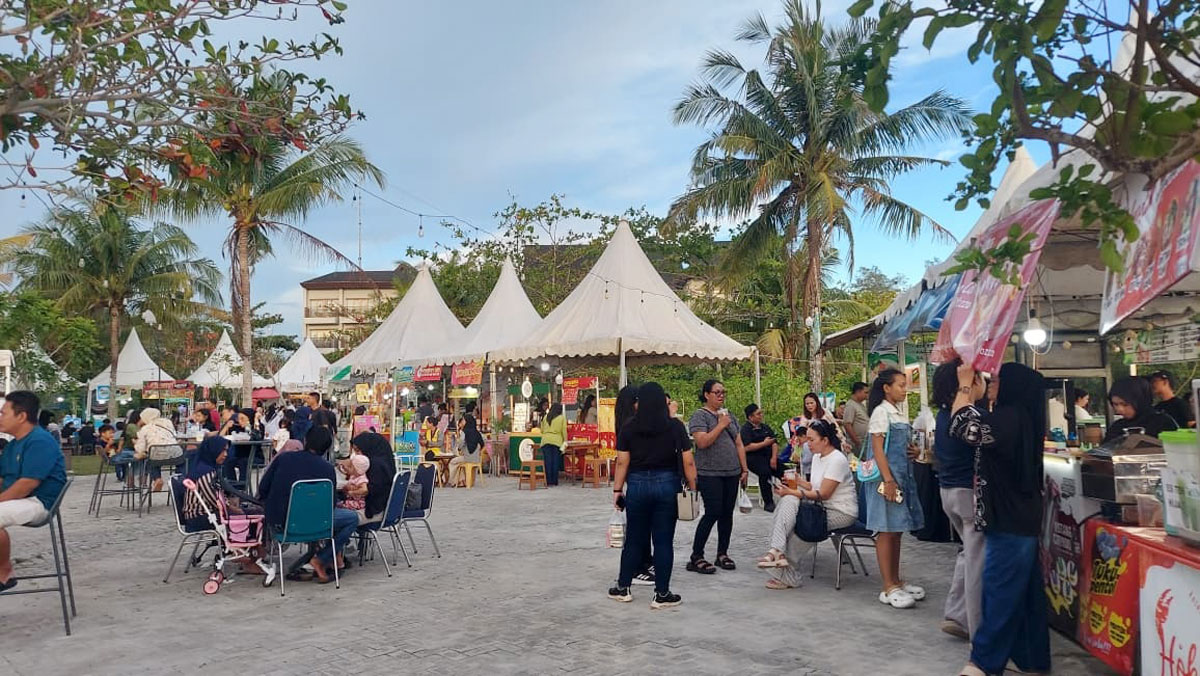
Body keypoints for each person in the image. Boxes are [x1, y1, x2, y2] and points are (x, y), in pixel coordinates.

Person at [949, 362, 1051, 676]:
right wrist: (974, 392)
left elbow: (961, 426)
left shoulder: (1011, 418)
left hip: (1010, 520)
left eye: (998, 380)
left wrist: (965, 385)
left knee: (1000, 593)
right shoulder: (1016, 418)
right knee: (1027, 596)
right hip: (1017, 517)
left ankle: (983, 662)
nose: (992, 383)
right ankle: (1032, 659)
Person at [608, 382, 697, 608]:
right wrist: (693, 487)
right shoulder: (675, 426)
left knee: (634, 540)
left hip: (637, 485)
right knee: (663, 541)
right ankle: (662, 594)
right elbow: (688, 460)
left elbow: (622, 462)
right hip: (668, 484)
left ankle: (623, 588)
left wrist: (618, 490)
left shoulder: (629, 427)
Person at [755, 419, 857, 589]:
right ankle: (777, 551)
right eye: (806, 439)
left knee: (802, 525)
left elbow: (823, 494)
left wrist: (794, 491)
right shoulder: (818, 458)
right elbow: (814, 487)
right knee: (789, 500)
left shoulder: (837, 460)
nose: (807, 444)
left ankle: (785, 569)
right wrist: (798, 482)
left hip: (841, 511)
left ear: (825, 440)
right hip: (820, 507)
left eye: (811, 440)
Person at [257, 427, 356, 583]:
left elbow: (263, 488)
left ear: (304, 441)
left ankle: (324, 558)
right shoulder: (328, 469)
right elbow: (329, 505)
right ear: (326, 449)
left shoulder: (284, 459)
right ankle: (322, 558)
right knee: (352, 518)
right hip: (318, 524)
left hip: (283, 522)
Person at [932, 360, 984, 641]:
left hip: (949, 492)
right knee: (978, 563)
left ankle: (957, 615)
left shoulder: (942, 415)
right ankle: (979, 633)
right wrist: (966, 382)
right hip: (968, 494)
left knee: (968, 555)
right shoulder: (966, 416)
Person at [865, 368, 926, 609]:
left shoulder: (897, 413)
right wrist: (888, 480)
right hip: (887, 481)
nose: (905, 389)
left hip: (902, 478)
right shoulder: (881, 413)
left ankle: (897, 580)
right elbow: (877, 449)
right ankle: (888, 585)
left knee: (897, 530)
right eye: (901, 385)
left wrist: (914, 451)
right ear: (886, 388)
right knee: (886, 531)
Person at [0, 391, 68, 592]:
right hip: (22, 500)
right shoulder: (14, 445)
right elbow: (3, 479)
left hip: (39, 503)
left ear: (21, 416)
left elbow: (26, 485)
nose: (0, 417)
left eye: (3, 413)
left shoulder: (39, 440)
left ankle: (4, 571)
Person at [688, 379, 748, 574]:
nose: (721, 395)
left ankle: (722, 553)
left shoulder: (729, 415)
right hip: (709, 473)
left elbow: (739, 443)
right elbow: (703, 442)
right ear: (707, 394)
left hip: (731, 472)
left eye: (724, 392)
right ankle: (696, 555)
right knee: (712, 512)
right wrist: (721, 425)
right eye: (717, 392)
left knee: (726, 514)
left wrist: (744, 469)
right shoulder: (699, 416)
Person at [1105, 376, 1179, 442]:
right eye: (1115, 404)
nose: (1120, 409)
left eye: (1125, 404)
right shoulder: (1117, 426)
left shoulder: (1162, 423)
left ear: (1140, 401)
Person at [348, 432, 396, 526]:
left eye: (358, 451)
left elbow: (366, 490)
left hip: (375, 511)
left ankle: (338, 541)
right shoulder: (385, 462)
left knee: (337, 519)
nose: (357, 454)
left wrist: (350, 491)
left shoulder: (375, 465)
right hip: (387, 508)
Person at [740, 403, 780, 512]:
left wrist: (774, 457)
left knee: (786, 471)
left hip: (769, 456)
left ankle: (791, 496)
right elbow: (747, 447)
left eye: (761, 413)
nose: (761, 415)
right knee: (765, 472)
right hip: (753, 458)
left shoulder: (765, 427)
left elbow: (774, 442)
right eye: (758, 414)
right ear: (750, 417)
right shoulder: (745, 430)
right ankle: (769, 502)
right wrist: (764, 443)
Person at [135, 407, 179, 492]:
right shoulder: (168, 422)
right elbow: (174, 435)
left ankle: (157, 478)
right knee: (182, 462)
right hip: (175, 454)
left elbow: (140, 447)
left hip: (156, 455)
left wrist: (139, 451)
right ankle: (180, 476)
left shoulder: (145, 429)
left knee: (151, 459)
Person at [449, 402, 484, 487]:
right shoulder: (477, 432)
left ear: (467, 421)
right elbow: (482, 444)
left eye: (464, 420)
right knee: (460, 463)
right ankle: (465, 481)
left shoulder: (464, 432)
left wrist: (459, 447)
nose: (463, 422)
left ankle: (454, 481)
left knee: (453, 462)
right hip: (476, 459)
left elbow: (461, 444)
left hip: (467, 457)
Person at [539, 403, 567, 486]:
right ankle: (554, 481)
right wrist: (565, 441)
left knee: (547, 462)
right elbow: (564, 431)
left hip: (545, 441)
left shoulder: (545, 417)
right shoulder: (562, 418)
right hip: (556, 441)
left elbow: (542, 430)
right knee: (555, 461)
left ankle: (548, 481)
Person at [842, 382, 870, 453]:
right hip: (857, 444)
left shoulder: (860, 405)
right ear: (858, 392)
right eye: (866, 392)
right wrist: (857, 441)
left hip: (865, 442)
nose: (867, 395)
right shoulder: (850, 405)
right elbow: (847, 424)